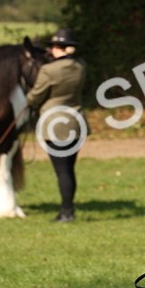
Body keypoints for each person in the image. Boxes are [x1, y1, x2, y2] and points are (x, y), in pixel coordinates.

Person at [26, 28, 87, 222]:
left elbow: (35, 96)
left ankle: (67, 212)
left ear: (56, 48)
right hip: (76, 123)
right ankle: (68, 210)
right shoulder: (80, 66)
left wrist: (29, 99)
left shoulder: (48, 70)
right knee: (69, 168)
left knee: (62, 171)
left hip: (55, 126)